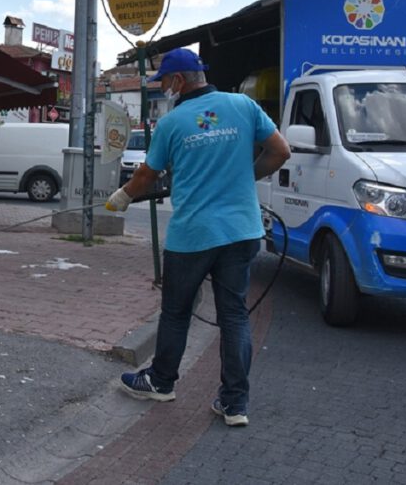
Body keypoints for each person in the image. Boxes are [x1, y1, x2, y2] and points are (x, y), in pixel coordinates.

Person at [106, 47, 290, 428]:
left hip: (193, 235)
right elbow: (280, 151)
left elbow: (147, 176)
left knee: (176, 311)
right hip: (242, 231)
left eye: (166, 82)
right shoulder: (243, 105)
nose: (165, 89)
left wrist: (122, 197)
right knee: (235, 316)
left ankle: (161, 381)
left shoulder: (173, 123)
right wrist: (246, 176)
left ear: (178, 81)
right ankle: (235, 403)